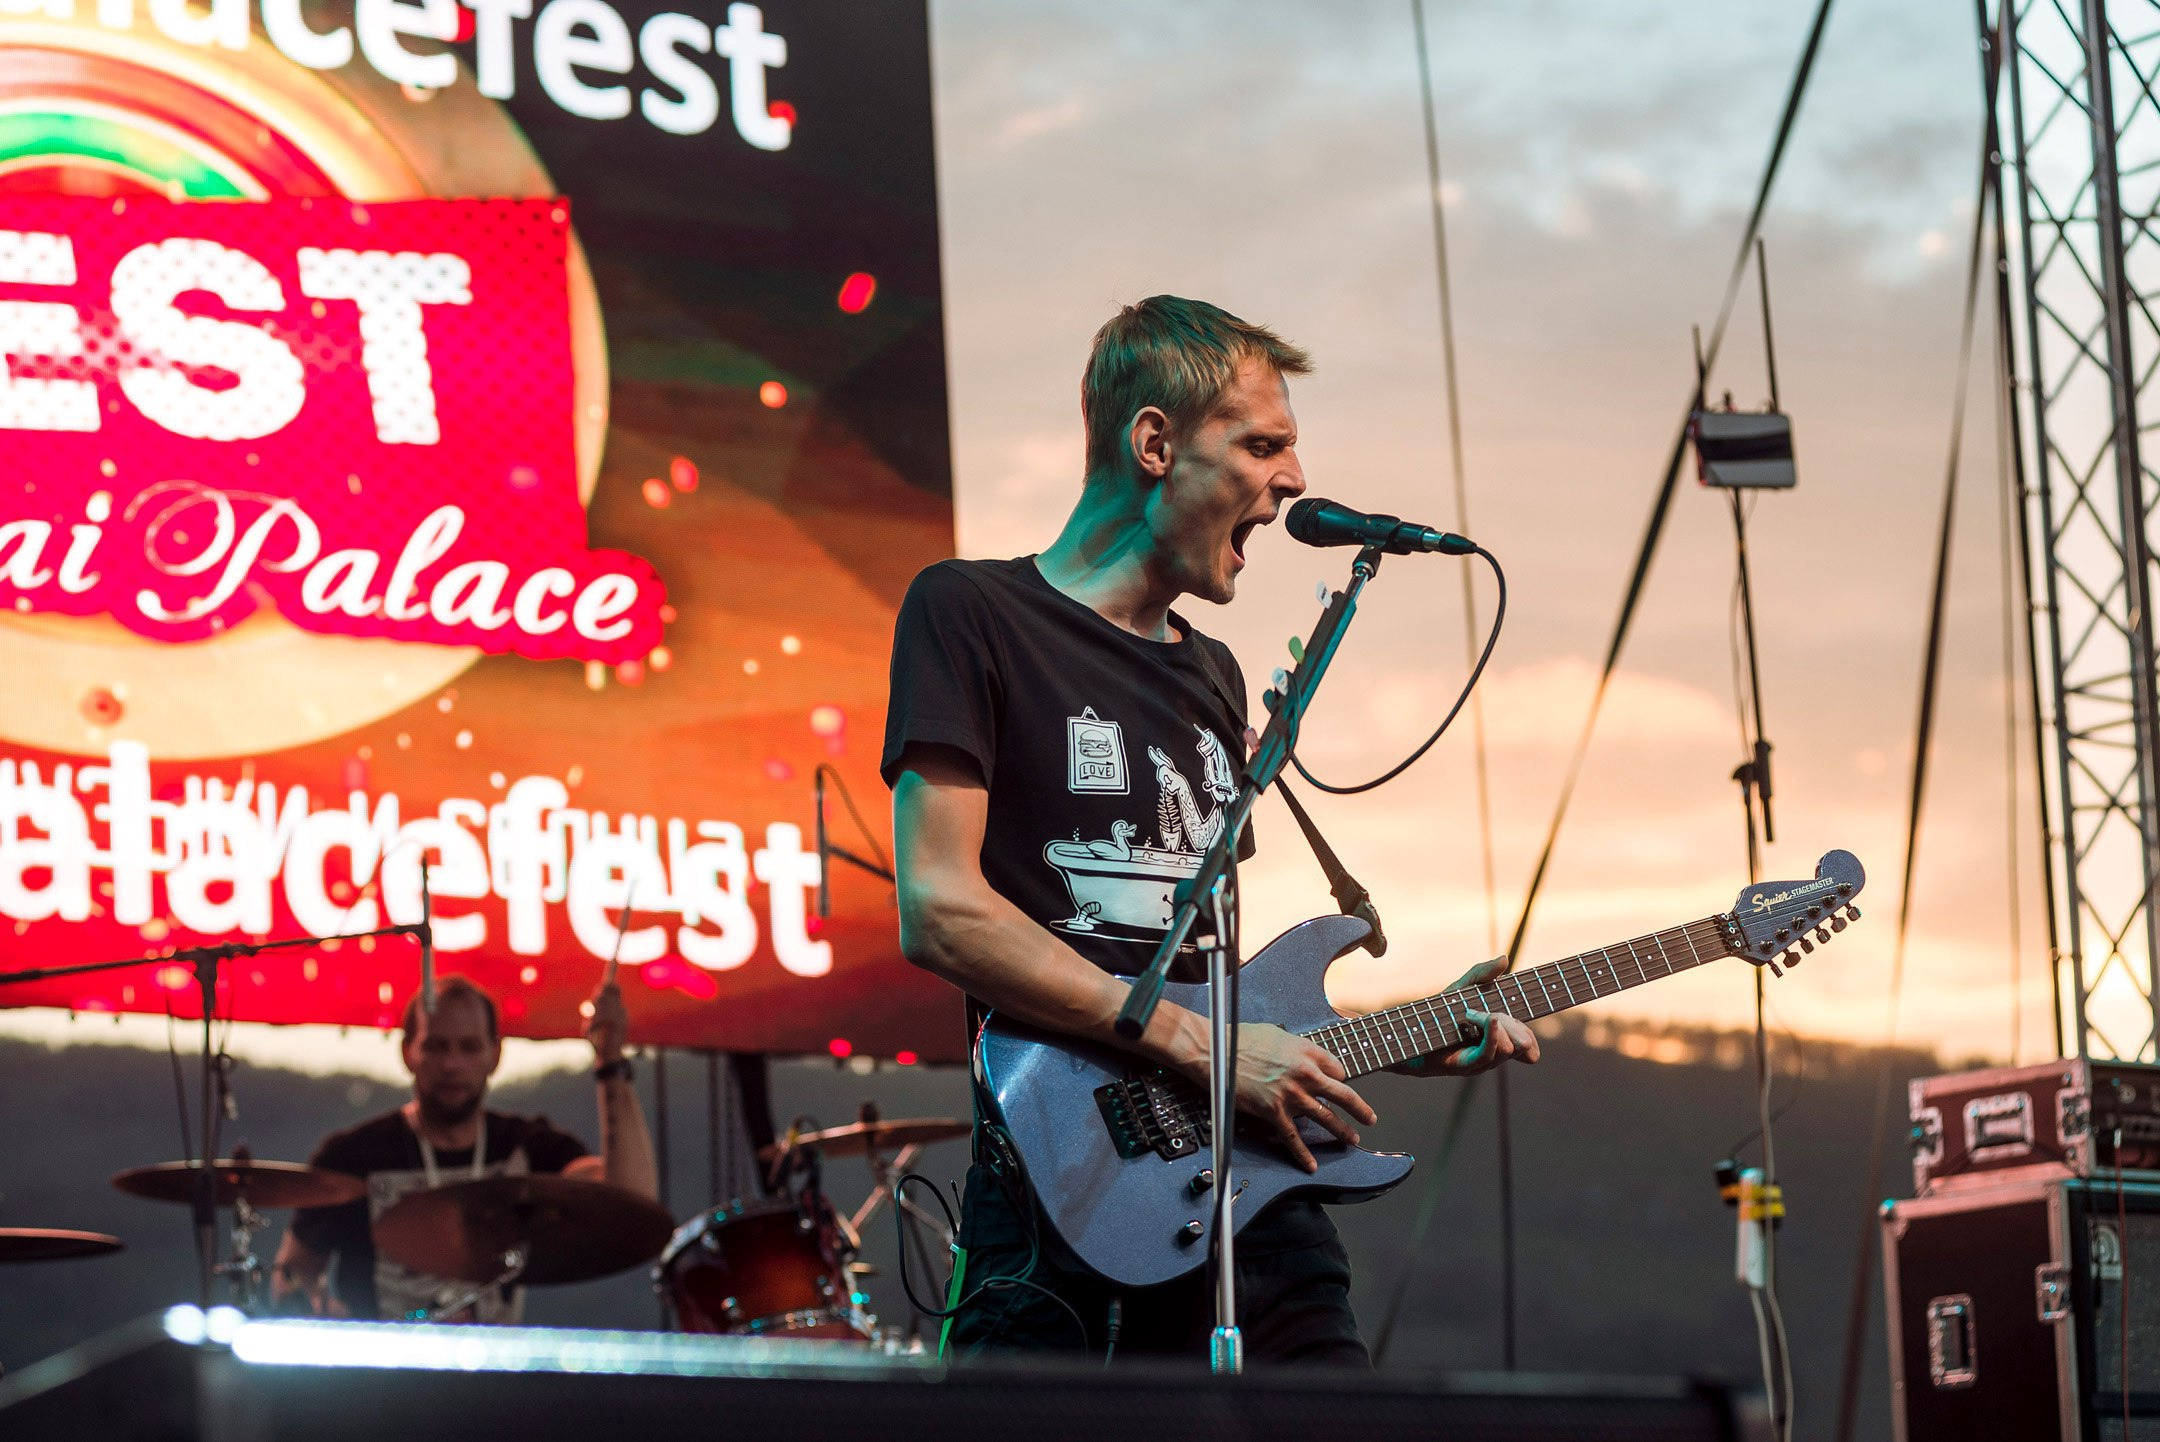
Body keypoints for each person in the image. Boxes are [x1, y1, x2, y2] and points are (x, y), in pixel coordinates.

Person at [882, 295, 1540, 1365]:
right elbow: (942, 909)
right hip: (1056, 1192)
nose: (1292, 480)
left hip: (1247, 1200)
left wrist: (1404, 1037)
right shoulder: (971, 612)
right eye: (1264, 443)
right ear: (1155, 442)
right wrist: (1207, 1047)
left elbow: (1217, 978)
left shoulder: (1211, 672)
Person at [269, 975, 659, 1322]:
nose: (452, 1065)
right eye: (436, 1047)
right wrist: (334, 1322)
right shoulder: (352, 1158)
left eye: (469, 1047)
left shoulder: (526, 1147)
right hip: (384, 1385)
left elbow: (632, 1199)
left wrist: (610, 1063)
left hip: (495, 1384)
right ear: (408, 1052)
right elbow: (292, 1275)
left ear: (495, 1054)